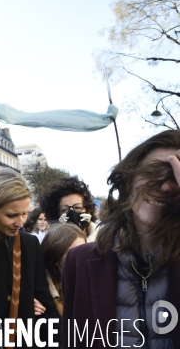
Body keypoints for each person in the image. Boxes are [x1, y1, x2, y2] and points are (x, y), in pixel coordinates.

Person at [62, 130, 180, 348]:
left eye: (175, 177)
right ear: (128, 181)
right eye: (154, 172)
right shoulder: (79, 262)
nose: (165, 187)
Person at [0, 169, 59, 347]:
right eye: (11, 215)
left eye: (24, 214)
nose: (20, 222)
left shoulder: (30, 245)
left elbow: (45, 304)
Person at [40, 223, 85, 316]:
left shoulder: (92, 281)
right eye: (73, 252)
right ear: (55, 257)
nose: (82, 257)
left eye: (84, 250)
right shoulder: (41, 291)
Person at [39, 176, 99, 242]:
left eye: (77, 207)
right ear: (57, 214)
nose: (72, 213)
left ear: (88, 210)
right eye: (64, 209)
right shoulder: (50, 243)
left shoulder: (103, 241)